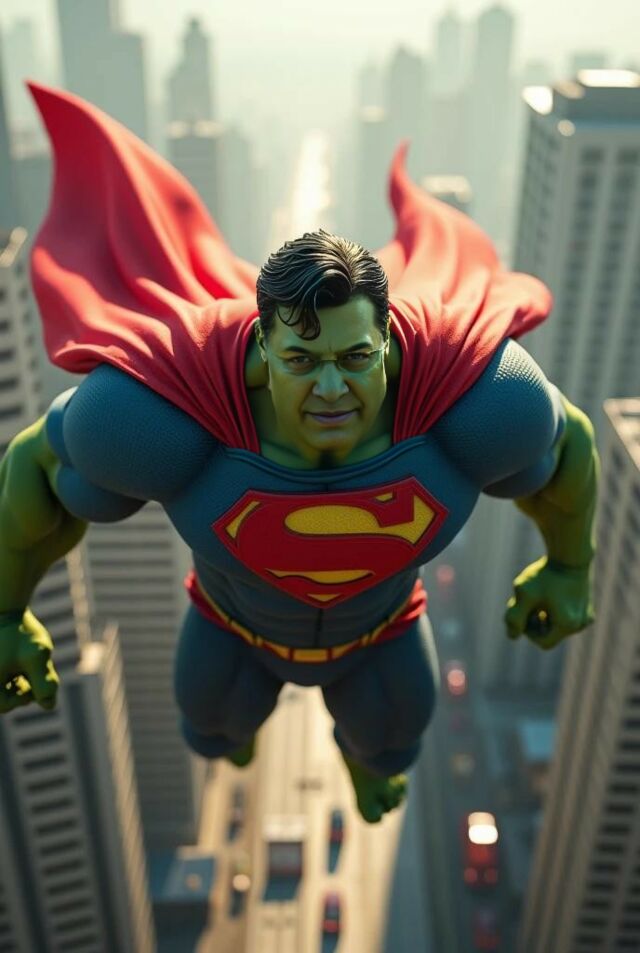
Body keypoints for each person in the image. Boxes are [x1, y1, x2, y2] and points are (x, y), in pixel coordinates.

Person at [0, 85, 597, 823]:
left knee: (391, 749)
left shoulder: (475, 406)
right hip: (232, 631)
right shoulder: (164, 421)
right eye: (302, 360)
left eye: (355, 358)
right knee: (212, 734)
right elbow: (38, 465)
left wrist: (570, 566)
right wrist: (6, 609)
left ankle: (360, 759)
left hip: (381, 635)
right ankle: (244, 735)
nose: (332, 389)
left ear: (388, 345)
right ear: (261, 352)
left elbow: (567, 445)